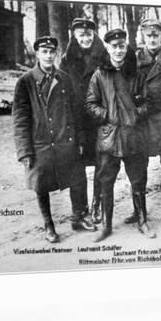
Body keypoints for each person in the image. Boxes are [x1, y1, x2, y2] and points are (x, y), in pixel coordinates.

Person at [12, 36, 96, 243]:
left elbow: (76, 112)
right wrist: (24, 151)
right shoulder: (26, 81)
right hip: (40, 143)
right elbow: (20, 119)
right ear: (37, 54)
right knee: (41, 185)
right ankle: (49, 224)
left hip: (65, 140)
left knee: (78, 180)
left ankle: (79, 216)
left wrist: (81, 140)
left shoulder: (65, 78)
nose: (48, 56)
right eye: (44, 52)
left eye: (52, 52)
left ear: (56, 54)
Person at [85, 28, 155, 242]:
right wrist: (108, 114)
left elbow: (147, 102)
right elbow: (90, 103)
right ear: (107, 48)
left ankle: (142, 221)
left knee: (138, 180)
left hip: (134, 136)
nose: (118, 50)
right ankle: (106, 226)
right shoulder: (99, 75)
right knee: (106, 182)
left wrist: (134, 114)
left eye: (122, 46)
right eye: (114, 47)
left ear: (127, 47)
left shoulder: (137, 73)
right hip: (109, 138)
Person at [124, 18, 161, 226]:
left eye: (156, 35)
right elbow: (125, 87)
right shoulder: (133, 59)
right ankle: (138, 211)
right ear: (142, 36)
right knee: (137, 167)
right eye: (149, 35)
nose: (152, 39)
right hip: (141, 121)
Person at [60, 18, 107, 225]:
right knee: (76, 167)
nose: (86, 39)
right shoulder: (66, 59)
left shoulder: (104, 56)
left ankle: (98, 205)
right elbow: (63, 91)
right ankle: (80, 210)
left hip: (99, 119)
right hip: (77, 121)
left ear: (94, 34)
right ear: (74, 36)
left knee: (101, 164)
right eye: (81, 35)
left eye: (89, 35)